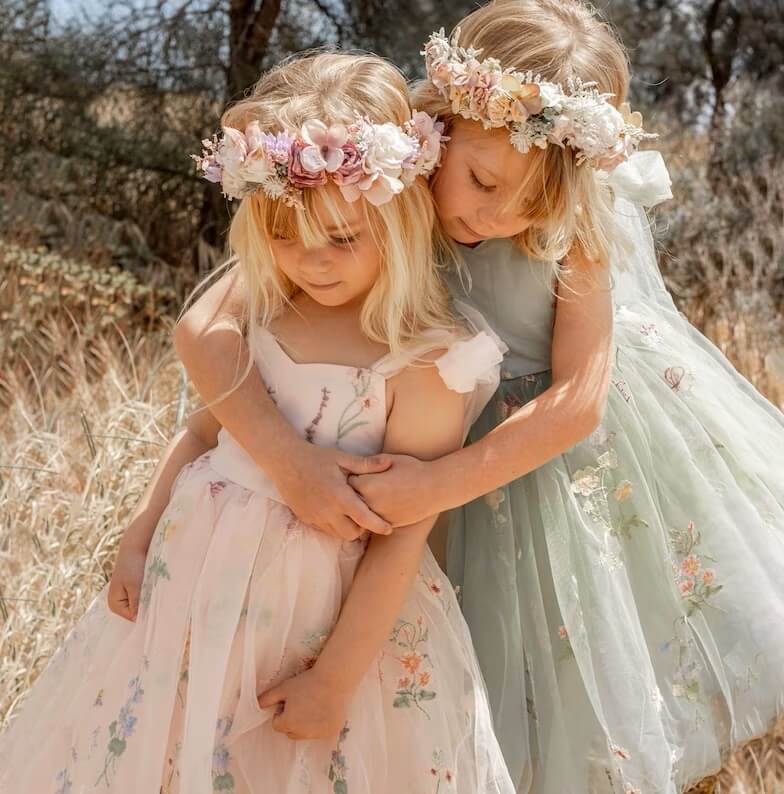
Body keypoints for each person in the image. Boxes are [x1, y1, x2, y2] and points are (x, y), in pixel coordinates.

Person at [126, 2, 784, 792]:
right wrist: (289, 460)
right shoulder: (377, 154)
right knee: (432, 691)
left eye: (531, 206)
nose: (497, 215)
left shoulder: (580, 215)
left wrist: (435, 487)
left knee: (581, 694)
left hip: (528, 460)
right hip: (407, 426)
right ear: (439, 121)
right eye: (480, 180)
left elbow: (580, 400)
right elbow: (207, 327)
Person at [0, 50, 515, 794]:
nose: (314, 262)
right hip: (190, 600)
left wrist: (336, 680)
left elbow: (405, 533)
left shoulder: (423, 361)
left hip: (317, 628)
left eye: (342, 237)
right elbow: (208, 434)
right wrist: (139, 537)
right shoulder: (262, 318)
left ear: (398, 217)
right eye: (285, 238)